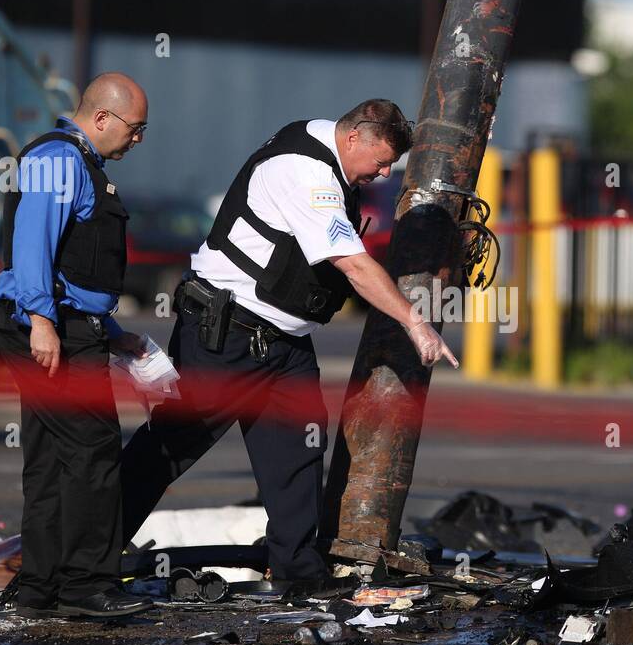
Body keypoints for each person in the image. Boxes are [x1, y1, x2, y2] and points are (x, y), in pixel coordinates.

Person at [120, 99, 456, 579]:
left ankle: (301, 575)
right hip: (228, 333)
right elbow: (352, 264)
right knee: (171, 446)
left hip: (284, 341)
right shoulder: (306, 170)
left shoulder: (333, 156)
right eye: (380, 161)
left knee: (298, 453)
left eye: (390, 166)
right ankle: (85, 552)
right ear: (354, 137)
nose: (383, 174)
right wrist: (415, 321)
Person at [0, 72, 154, 619]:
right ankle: (87, 585)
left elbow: (73, 266)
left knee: (52, 457)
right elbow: (32, 242)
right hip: (50, 329)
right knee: (92, 450)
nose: (139, 140)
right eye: (135, 129)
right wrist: (41, 320)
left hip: (66, 325)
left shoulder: (84, 167)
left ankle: (42, 586)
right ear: (102, 117)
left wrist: (114, 334)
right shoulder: (59, 160)